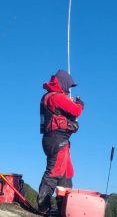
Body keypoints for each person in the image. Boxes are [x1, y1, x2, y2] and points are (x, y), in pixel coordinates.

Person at [37, 69, 84, 214]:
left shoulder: (47, 97)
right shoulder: (56, 97)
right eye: (68, 86)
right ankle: (43, 206)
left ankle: (63, 207)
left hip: (52, 139)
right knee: (54, 172)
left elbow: (58, 117)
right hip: (57, 140)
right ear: (63, 83)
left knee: (66, 174)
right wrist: (80, 103)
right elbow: (76, 111)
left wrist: (69, 123)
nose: (69, 89)